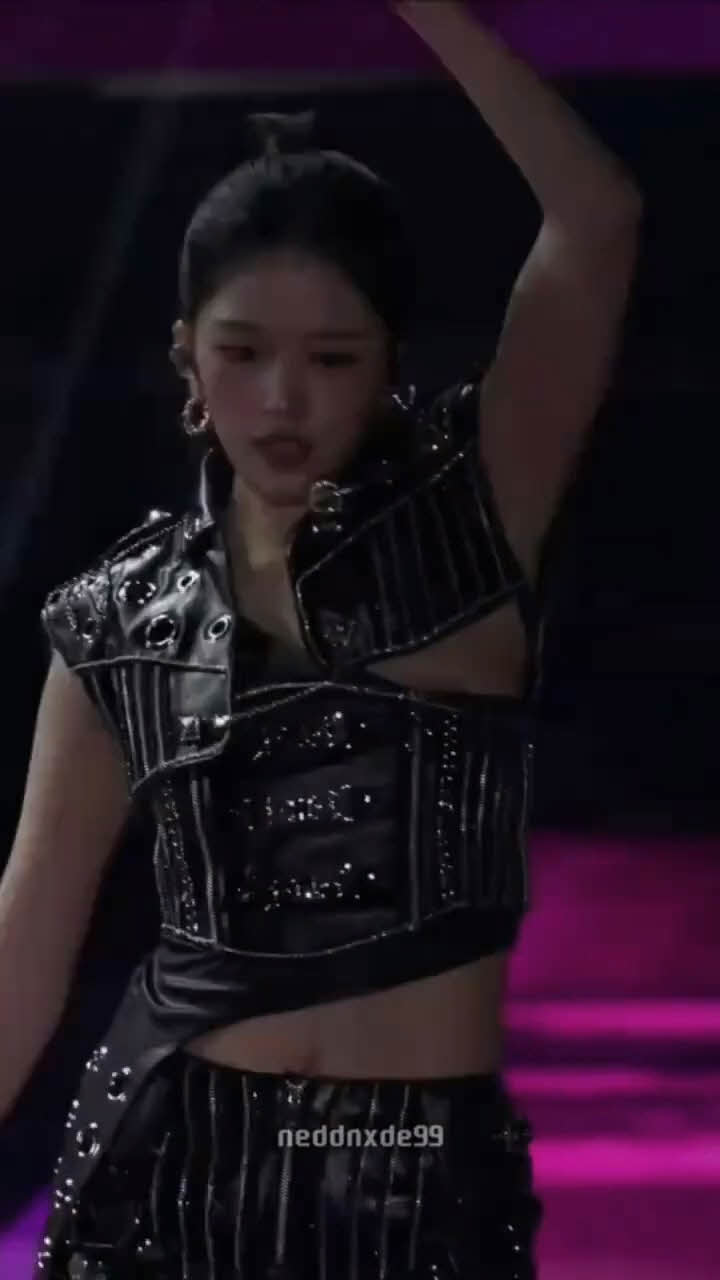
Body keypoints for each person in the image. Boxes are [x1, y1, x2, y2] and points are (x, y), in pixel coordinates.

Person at [0, 2, 642, 1276]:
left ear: (388, 363)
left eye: (332, 358)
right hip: (162, 1177)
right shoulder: (115, 619)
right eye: (242, 353)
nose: (282, 398)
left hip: (416, 1189)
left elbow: (598, 218)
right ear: (187, 360)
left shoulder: (476, 524)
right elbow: (24, 941)